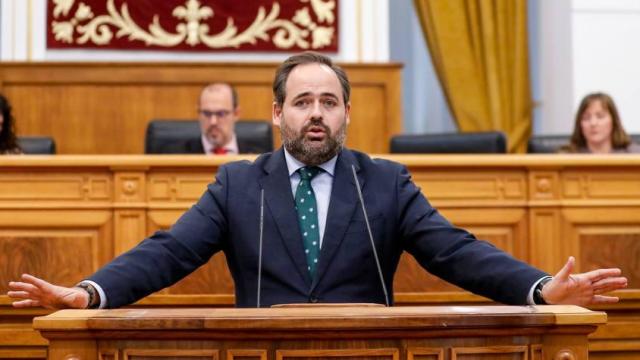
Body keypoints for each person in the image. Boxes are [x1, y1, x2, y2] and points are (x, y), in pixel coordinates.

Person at [8, 52, 627, 310]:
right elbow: (168, 252)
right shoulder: (237, 184)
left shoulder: (383, 183)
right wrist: (90, 293)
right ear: (277, 113)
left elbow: (454, 251)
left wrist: (540, 288)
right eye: (302, 102)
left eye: (329, 102)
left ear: (346, 114)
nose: (316, 114)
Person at [560, 92, 640, 153]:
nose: (593, 123)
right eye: (586, 118)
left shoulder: (633, 154)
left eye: (600, 116)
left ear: (614, 121)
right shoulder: (566, 156)